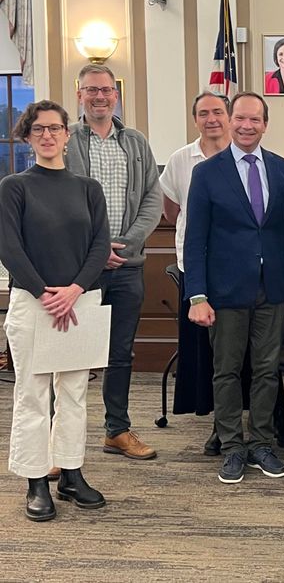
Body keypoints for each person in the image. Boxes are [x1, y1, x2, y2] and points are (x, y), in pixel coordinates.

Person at [161, 93, 284, 454]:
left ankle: (262, 443)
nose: (246, 125)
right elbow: (195, 240)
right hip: (225, 291)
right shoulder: (205, 172)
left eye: (255, 119)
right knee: (226, 372)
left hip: (273, 289)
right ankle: (232, 445)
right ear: (231, 121)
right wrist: (198, 295)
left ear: (265, 124)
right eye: (240, 118)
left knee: (267, 371)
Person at [1, 100, 110, 521]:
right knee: (33, 395)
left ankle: (71, 473)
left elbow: (100, 244)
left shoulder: (87, 188)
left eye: (55, 128)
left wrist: (76, 288)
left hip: (80, 302)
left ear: (68, 134)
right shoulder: (15, 186)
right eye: (38, 129)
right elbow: (9, 247)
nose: (47, 135)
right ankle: (34, 481)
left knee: (75, 394)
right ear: (28, 137)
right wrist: (47, 293)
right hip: (34, 303)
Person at [66, 64, 162, 462]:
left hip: (127, 266)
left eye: (105, 90)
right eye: (91, 91)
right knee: (71, 357)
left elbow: (152, 200)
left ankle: (116, 431)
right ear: (80, 95)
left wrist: (123, 244)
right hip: (79, 271)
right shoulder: (66, 140)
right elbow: (59, 203)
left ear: (116, 95)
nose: (99, 97)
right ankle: (61, 442)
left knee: (120, 353)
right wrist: (96, 247)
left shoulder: (135, 142)